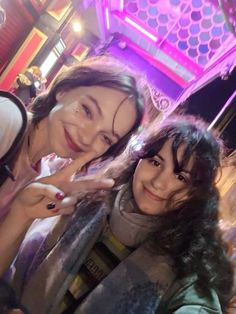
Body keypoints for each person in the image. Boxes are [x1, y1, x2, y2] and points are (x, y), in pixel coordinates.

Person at [11, 115, 233, 314]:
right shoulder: (90, 202)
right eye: (155, 162)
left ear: (196, 194)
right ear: (138, 160)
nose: (158, 182)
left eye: (181, 177)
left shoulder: (187, 258)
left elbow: (198, 303)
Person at [0, 55, 145, 276]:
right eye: (87, 110)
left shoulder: (43, 180)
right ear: (64, 90)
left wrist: (21, 214)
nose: (87, 138)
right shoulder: (5, 120)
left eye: (106, 138)